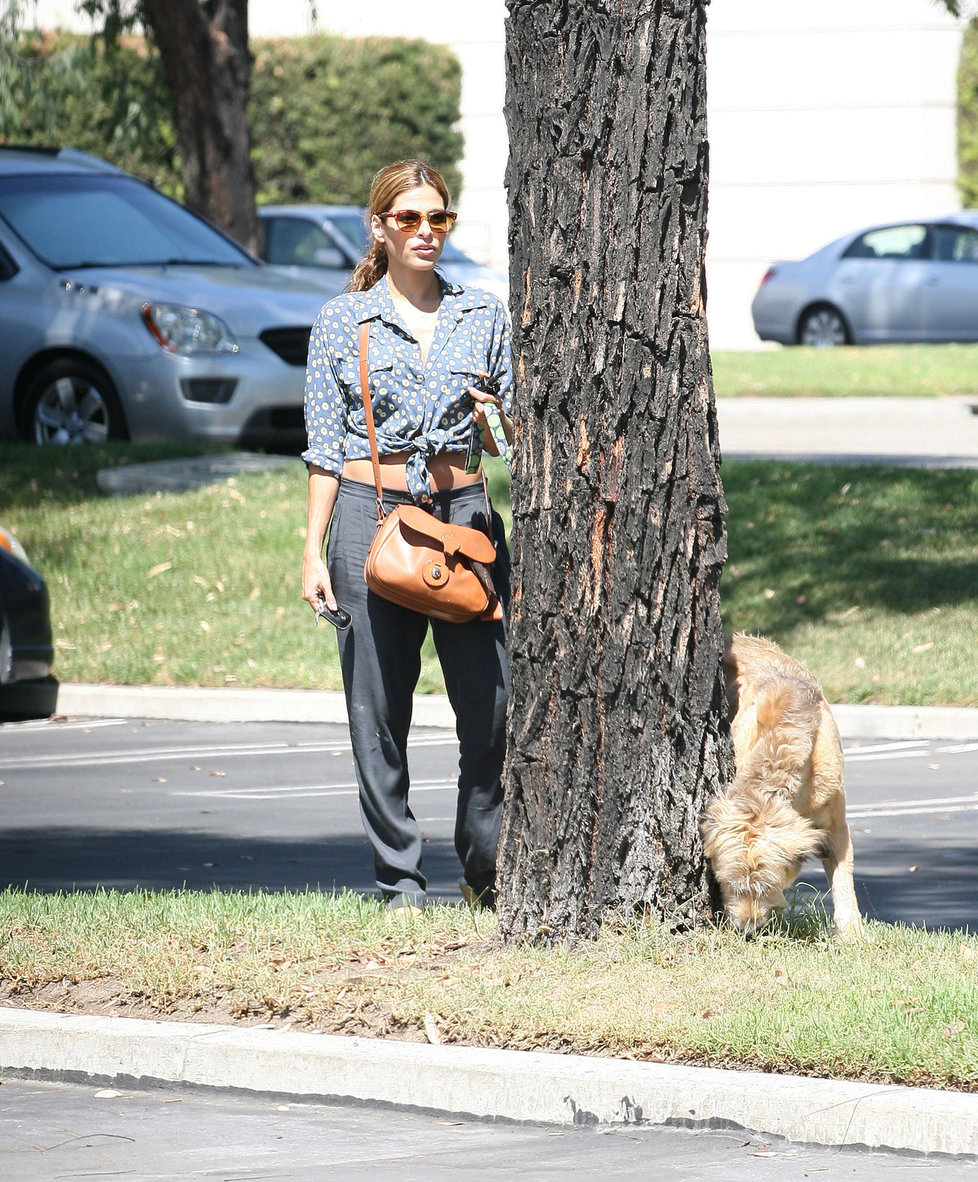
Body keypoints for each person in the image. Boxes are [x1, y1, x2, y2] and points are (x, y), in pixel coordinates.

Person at [300, 160, 513, 915]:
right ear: (380, 227)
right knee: (378, 713)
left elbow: (514, 436)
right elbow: (325, 447)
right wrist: (313, 550)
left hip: (464, 520)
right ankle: (401, 882)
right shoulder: (343, 320)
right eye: (409, 218)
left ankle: (485, 866)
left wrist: (496, 419)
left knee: (491, 709)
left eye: (438, 218)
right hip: (371, 517)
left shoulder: (483, 314)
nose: (426, 232)